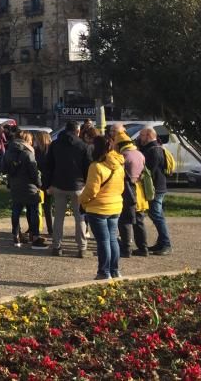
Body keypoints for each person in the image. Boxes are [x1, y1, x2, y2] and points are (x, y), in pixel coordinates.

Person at [80, 135, 125, 280]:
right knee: (112, 239)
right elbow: (121, 187)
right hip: (115, 206)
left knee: (103, 241)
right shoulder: (119, 165)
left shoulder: (96, 166)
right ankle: (114, 270)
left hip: (98, 208)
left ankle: (104, 272)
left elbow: (91, 190)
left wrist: (82, 200)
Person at [44, 120, 92, 257]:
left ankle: (56, 246)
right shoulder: (83, 146)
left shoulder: (55, 144)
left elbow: (49, 166)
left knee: (58, 217)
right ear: (77, 131)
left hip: (58, 184)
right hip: (78, 185)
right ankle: (82, 248)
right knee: (80, 217)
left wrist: (48, 184)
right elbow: (87, 168)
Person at [2, 127, 48, 249]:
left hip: (15, 185)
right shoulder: (28, 153)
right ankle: (35, 235)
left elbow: (3, 168)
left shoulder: (8, 152)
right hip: (29, 186)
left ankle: (16, 234)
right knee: (33, 210)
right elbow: (34, 172)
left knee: (16, 210)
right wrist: (39, 183)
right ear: (27, 140)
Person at [112, 124, 149, 257]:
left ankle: (126, 249)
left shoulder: (123, 156)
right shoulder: (139, 154)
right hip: (139, 192)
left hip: (127, 192)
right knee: (139, 221)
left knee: (125, 220)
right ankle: (143, 248)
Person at [139, 127, 172, 255]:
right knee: (157, 215)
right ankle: (161, 243)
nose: (139, 138)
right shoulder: (157, 148)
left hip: (156, 188)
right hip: (159, 186)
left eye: (142, 135)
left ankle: (166, 244)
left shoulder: (153, 151)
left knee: (157, 215)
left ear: (148, 136)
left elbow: (148, 172)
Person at [30, 129, 53, 238]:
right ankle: (49, 229)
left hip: (42, 181)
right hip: (48, 181)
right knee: (46, 207)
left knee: (39, 206)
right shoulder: (50, 151)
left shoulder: (38, 151)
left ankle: (36, 228)